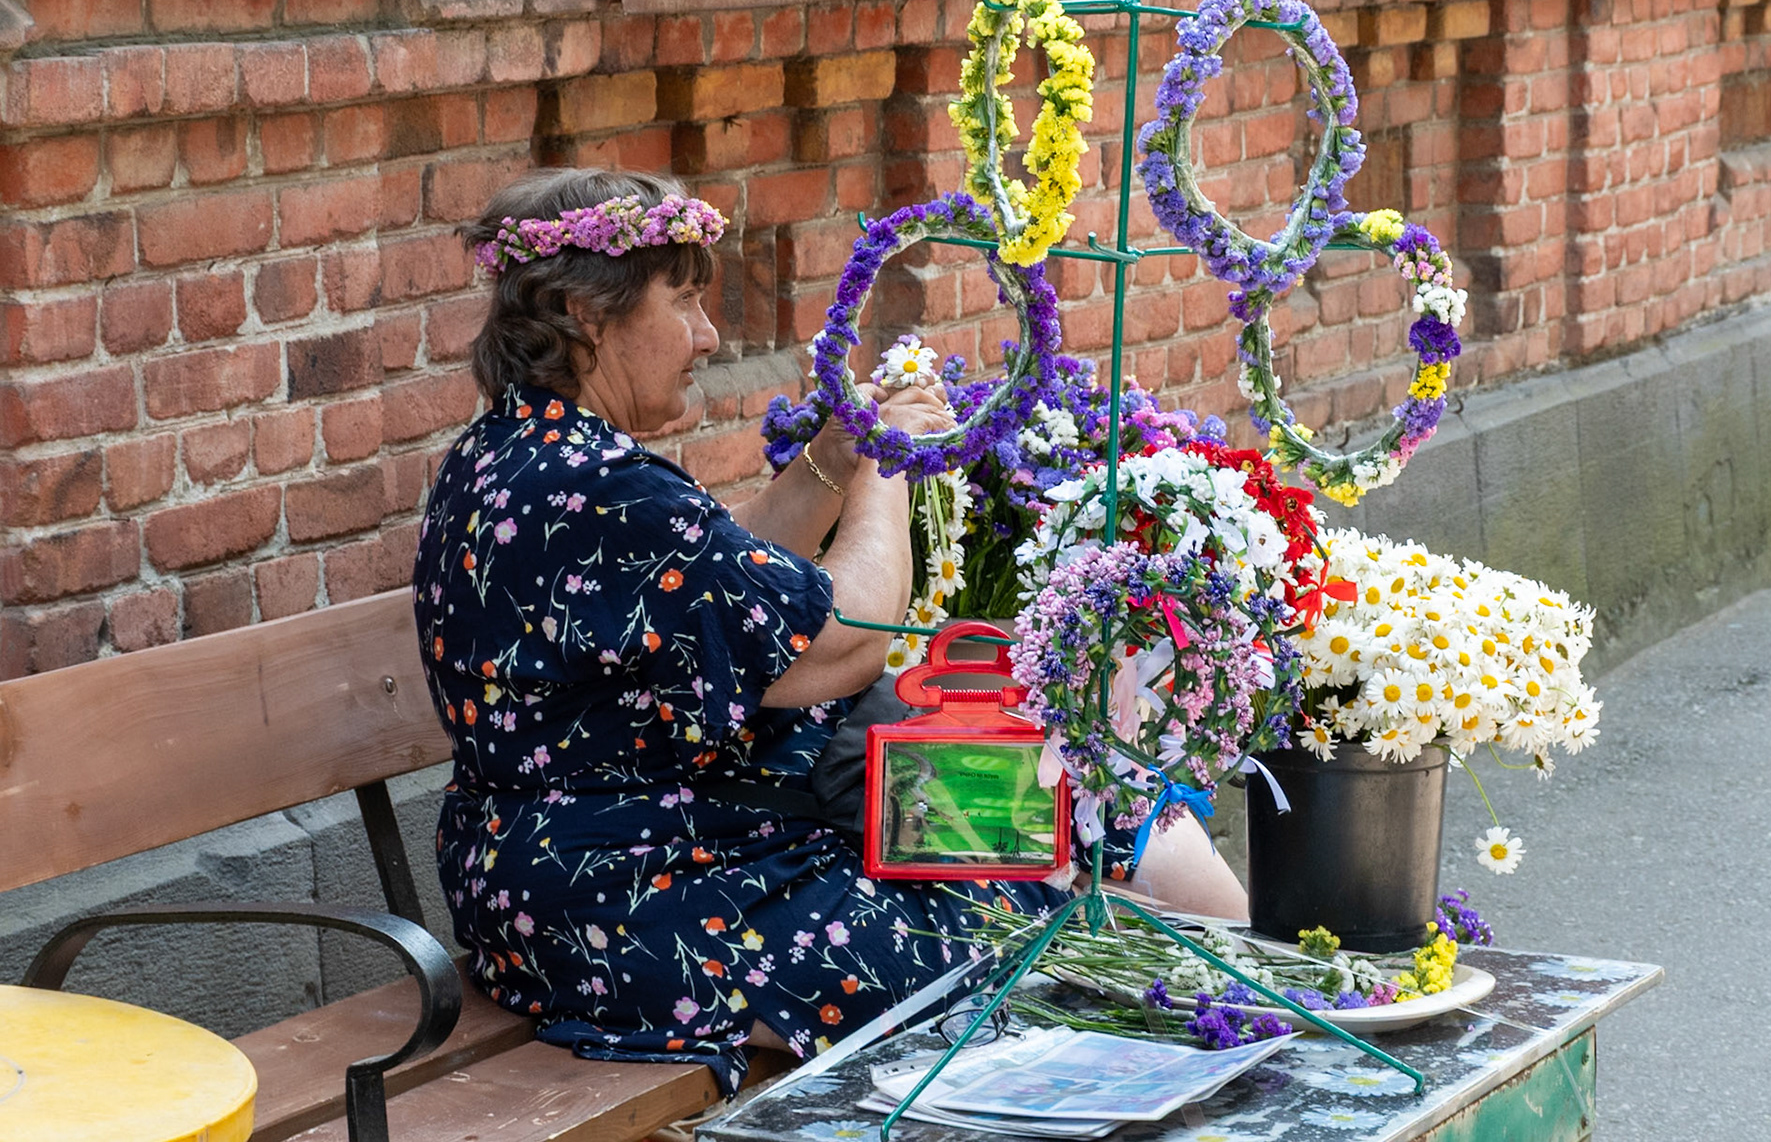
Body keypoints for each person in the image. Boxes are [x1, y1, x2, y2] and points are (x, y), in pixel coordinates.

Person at [413, 168, 1243, 1093]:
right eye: (683, 300)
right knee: (1025, 947)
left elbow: (720, 588)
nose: (708, 335)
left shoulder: (520, 453)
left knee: (1045, 889)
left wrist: (832, 460)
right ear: (581, 312)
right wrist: (890, 467)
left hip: (578, 871)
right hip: (631, 893)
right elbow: (840, 645)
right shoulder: (597, 488)